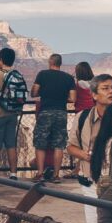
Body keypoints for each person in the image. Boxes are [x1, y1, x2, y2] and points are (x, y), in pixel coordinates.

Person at [67, 73, 112, 223]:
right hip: (91, 182)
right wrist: (86, 156)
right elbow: (71, 146)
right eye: (105, 88)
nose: (111, 91)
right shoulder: (82, 118)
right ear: (94, 95)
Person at [32, 53, 77, 181]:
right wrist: (62, 98)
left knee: (40, 143)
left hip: (45, 111)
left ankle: (40, 173)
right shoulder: (68, 78)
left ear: (50, 62)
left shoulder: (42, 74)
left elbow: (34, 93)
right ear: (60, 63)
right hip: (61, 113)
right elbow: (73, 98)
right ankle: (56, 175)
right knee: (59, 144)